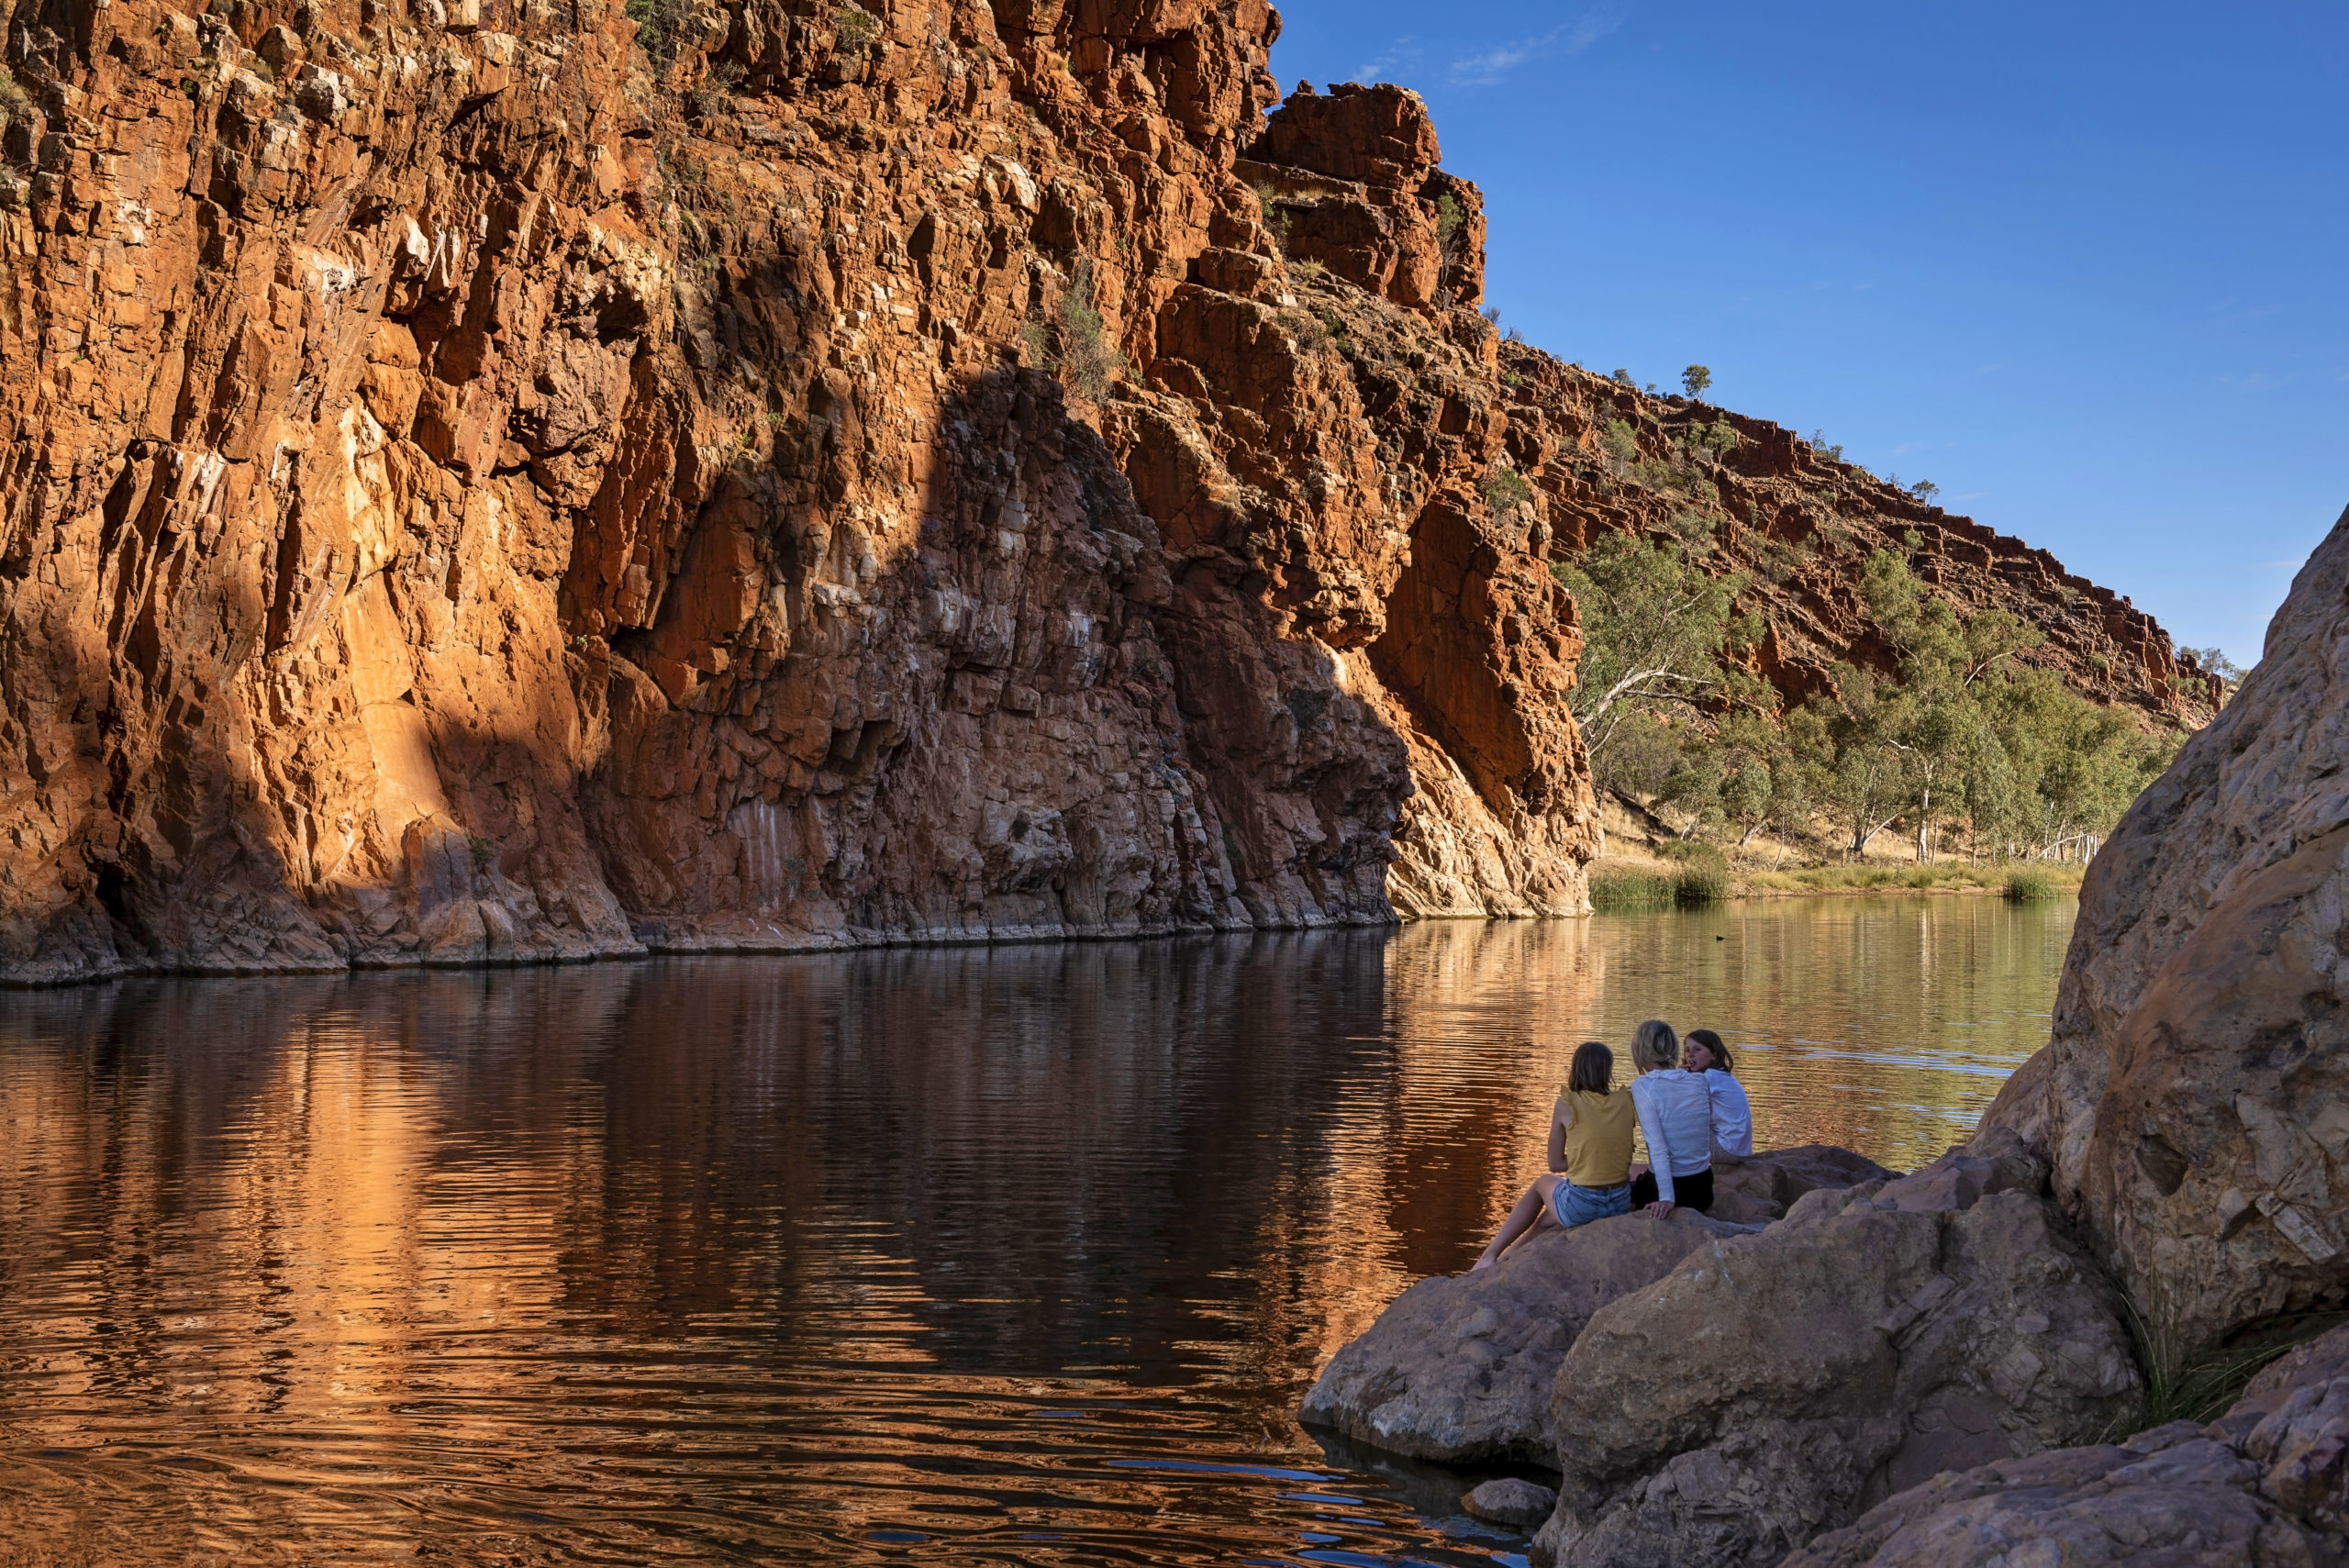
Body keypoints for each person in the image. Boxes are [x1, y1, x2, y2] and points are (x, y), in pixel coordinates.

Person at [1470, 1041, 1636, 1270]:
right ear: (1608, 1070)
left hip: (1583, 1207)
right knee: (1545, 1220)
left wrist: (1584, 1159)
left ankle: (1489, 1255)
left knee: (1541, 1184)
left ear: (1575, 1069)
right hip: (1619, 1203)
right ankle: (1506, 1261)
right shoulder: (1626, 1100)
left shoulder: (1567, 1103)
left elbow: (1555, 1163)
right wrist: (1595, 1158)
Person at [1626, 1018, 1714, 1215]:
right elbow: (1705, 1126)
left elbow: (1658, 1147)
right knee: (1633, 1170)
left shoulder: (1643, 1086)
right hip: (1703, 1187)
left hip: (1673, 1190)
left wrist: (1666, 1198)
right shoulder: (1700, 1080)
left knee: (1615, 1182)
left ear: (1641, 1050)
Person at [1684, 1028, 1753, 1158]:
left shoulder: (1710, 1076)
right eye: (1687, 1050)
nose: (1690, 1055)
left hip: (1727, 1150)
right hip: (1739, 1150)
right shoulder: (1721, 1075)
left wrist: (1680, 1075)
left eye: (1697, 1049)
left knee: (1677, 1121)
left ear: (1714, 1055)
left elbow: (1680, 1101)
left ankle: (1675, 1171)